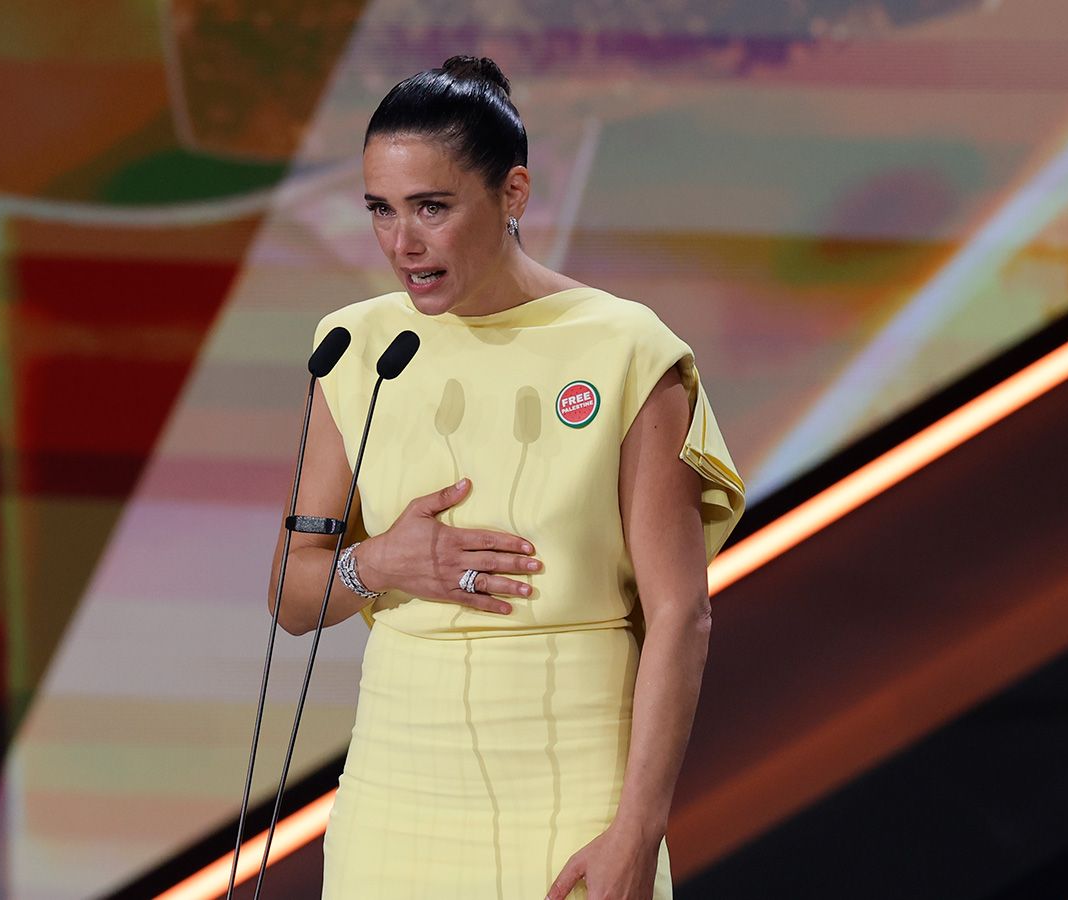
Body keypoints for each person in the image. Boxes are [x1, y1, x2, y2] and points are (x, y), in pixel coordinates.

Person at [269, 55, 746, 900]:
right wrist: (377, 563)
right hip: (394, 803)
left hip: (570, 796)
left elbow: (682, 614)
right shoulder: (353, 348)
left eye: (432, 207)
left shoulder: (624, 348)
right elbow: (292, 599)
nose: (403, 243)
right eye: (381, 209)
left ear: (514, 192)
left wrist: (637, 831)